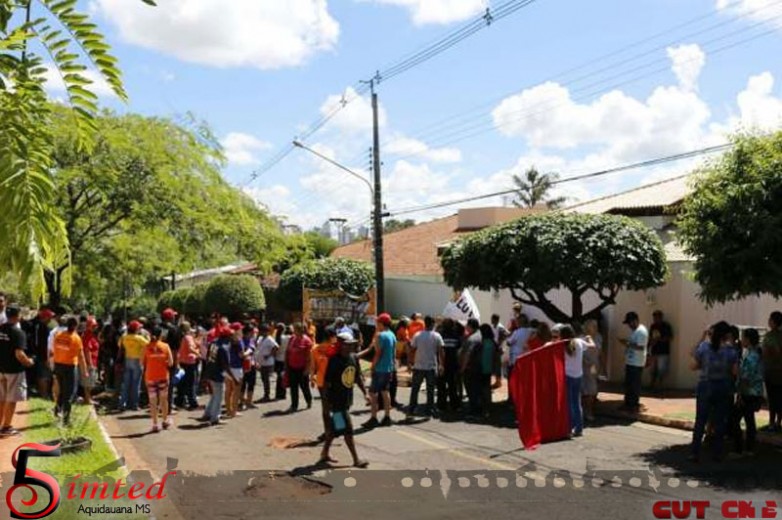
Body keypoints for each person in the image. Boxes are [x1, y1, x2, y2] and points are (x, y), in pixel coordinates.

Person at [690, 321, 739, 462]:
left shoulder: (704, 347)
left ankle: (695, 452)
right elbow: (735, 372)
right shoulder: (731, 351)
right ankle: (717, 453)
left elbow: (693, 366)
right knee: (719, 422)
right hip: (723, 386)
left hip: (705, 386)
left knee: (700, 420)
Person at [320, 333, 369, 468]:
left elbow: (357, 377)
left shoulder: (353, 358)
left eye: (351, 344)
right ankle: (356, 459)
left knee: (336, 430)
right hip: (336, 403)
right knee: (348, 429)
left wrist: (365, 393)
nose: (350, 346)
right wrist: (326, 403)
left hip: (346, 401)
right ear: (340, 345)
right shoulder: (334, 361)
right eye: (347, 344)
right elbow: (326, 383)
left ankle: (324, 453)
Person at [0, 306, 35, 436]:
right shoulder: (18, 332)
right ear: (17, 316)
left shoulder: (1, 328)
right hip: (14, 370)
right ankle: (6, 427)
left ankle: (1, 425)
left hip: (1, 369)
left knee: (1, 398)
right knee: (11, 399)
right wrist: (29, 362)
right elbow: (19, 353)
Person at [731, 328, 764, 456]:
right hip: (751, 393)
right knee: (749, 420)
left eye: (743, 337)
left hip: (748, 393)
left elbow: (746, 377)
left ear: (748, 339)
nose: (741, 340)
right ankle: (749, 448)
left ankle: (739, 449)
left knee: (735, 420)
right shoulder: (751, 354)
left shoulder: (751, 356)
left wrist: (740, 394)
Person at [406, 316, 444, 419]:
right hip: (431, 367)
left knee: (415, 389)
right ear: (432, 324)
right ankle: (429, 410)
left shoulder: (418, 335)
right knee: (430, 390)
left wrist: (409, 363)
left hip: (418, 366)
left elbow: (412, 350)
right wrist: (442, 365)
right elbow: (441, 352)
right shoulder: (437, 336)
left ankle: (411, 409)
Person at [562, 324, 597, 437]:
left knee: (569, 403)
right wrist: (589, 337)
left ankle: (569, 428)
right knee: (577, 402)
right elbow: (592, 345)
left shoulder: (561, 345)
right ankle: (579, 428)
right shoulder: (579, 342)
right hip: (578, 375)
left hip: (567, 376)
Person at [52, 317, 88, 425]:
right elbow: (81, 356)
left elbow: (54, 349)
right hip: (69, 367)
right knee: (69, 393)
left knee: (62, 391)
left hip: (58, 365)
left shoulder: (58, 335)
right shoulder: (76, 338)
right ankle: (66, 419)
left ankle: (57, 411)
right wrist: (84, 371)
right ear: (76, 326)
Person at [363, 313, 396, 428]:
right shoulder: (392, 334)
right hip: (388, 367)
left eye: (378, 322)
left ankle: (373, 418)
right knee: (385, 392)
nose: (376, 324)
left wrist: (373, 366)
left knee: (373, 393)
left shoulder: (380, 336)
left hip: (380, 368)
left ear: (381, 323)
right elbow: (393, 352)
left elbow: (378, 353)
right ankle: (387, 417)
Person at [201, 326, 236, 426]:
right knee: (218, 396)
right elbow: (226, 366)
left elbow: (207, 358)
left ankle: (207, 413)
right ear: (227, 336)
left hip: (210, 372)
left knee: (214, 395)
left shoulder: (213, 343)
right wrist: (234, 378)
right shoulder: (224, 348)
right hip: (217, 375)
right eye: (230, 335)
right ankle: (214, 418)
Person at [142, 327, 174, 432]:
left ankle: (155, 424)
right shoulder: (165, 346)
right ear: (161, 335)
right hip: (163, 376)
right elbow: (171, 363)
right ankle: (165, 420)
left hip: (150, 377)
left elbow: (142, 363)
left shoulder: (146, 347)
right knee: (164, 400)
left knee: (153, 401)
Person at [312, 328, 339, 441]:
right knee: (333, 408)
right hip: (328, 382)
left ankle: (331, 431)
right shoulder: (334, 349)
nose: (336, 339)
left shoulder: (334, 349)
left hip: (327, 382)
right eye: (335, 336)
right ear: (331, 337)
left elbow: (313, 367)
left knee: (331, 408)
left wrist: (311, 378)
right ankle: (333, 430)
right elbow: (313, 367)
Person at [619, 312, 648, 412]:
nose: (628, 325)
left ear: (635, 320)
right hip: (631, 361)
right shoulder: (634, 331)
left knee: (634, 384)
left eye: (629, 323)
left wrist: (627, 344)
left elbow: (641, 347)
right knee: (629, 384)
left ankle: (633, 404)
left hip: (637, 362)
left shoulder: (641, 331)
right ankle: (628, 403)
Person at [118, 321, 149, 412]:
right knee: (136, 384)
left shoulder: (124, 337)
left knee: (126, 383)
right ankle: (134, 405)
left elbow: (119, 344)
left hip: (128, 359)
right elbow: (149, 345)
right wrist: (147, 336)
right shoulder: (139, 338)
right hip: (137, 361)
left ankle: (122, 404)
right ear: (136, 329)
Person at [461, 319, 486, 420]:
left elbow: (468, 354)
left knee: (472, 391)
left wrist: (463, 367)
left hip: (471, 368)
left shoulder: (472, 338)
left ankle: (474, 411)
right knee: (478, 390)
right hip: (479, 367)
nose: (466, 327)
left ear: (471, 326)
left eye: (467, 325)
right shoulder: (480, 335)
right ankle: (479, 410)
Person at [761, 311, 782, 433]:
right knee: (779, 397)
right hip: (777, 371)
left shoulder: (769, 336)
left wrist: (768, 353)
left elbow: (769, 352)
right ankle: (778, 422)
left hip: (772, 371)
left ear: (774, 322)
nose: (769, 321)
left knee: (773, 398)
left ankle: (771, 423)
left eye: (770, 319)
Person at [286, 323, 313, 412]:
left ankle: (308, 400)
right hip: (292, 367)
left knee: (304, 387)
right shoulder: (292, 339)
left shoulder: (307, 341)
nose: (294, 331)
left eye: (296, 329)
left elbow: (309, 357)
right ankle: (294, 405)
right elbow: (288, 352)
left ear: (301, 330)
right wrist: (286, 364)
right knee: (293, 387)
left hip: (302, 368)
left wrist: (307, 369)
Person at [437, 318, 461, 412]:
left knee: (441, 386)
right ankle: (454, 405)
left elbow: (438, 350)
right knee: (452, 386)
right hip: (453, 364)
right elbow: (459, 350)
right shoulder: (456, 336)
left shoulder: (440, 335)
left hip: (442, 364)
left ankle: (441, 406)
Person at [581, 319, 602, 422]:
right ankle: (587, 412)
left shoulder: (598, 337)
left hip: (594, 366)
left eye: (596, 326)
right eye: (593, 326)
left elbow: (600, 353)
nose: (595, 328)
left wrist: (602, 366)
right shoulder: (582, 339)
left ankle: (588, 411)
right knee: (587, 390)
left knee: (593, 390)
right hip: (585, 367)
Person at [176, 322, 200, 411]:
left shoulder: (183, 337)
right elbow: (190, 348)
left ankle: (180, 401)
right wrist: (198, 354)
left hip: (183, 361)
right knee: (191, 383)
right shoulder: (188, 337)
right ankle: (192, 403)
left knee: (182, 383)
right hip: (189, 362)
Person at [649, 310, 674, 394]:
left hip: (663, 351)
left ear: (661, 317)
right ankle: (652, 385)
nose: (655, 319)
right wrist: (651, 343)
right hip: (654, 351)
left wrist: (659, 339)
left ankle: (659, 386)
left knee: (661, 369)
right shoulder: (653, 326)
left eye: (656, 317)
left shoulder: (666, 326)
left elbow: (670, 338)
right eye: (654, 317)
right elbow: (650, 337)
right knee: (653, 369)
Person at [225, 323, 245, 418]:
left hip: (228, 368)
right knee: (236, 391)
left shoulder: (227, 340)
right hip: (237, 367)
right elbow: (241, 355)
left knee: (228, 390)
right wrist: (247, 354)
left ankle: (229, 410)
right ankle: (234, 412)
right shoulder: (239, 341)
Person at [255, 324, 278, 403]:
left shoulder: (269, 339)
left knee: (266, 379)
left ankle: (267, 395)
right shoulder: (261, 338)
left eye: (263, 331)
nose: (261, 332)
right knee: (263, 379)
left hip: (267, 362)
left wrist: (269, 355)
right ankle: (266, 394)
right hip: (261, 362)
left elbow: (276, 347)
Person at [81, 317, 100, 405]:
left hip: (94, 360)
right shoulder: (87, 336)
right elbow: (87, 350)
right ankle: (87, 399)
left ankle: (88, 398)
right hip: (90, 362)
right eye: (93, 326)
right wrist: (90, 363)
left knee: (91, 382)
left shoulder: (92, 335)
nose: (95, 327)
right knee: (88, 382)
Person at [274, 324, 290, 401]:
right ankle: (282, 394)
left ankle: (278, 393)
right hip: (284, 360)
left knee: (279, 377)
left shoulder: (275, 338)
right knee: (283, 377)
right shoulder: (287, 338)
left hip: (277, 360)